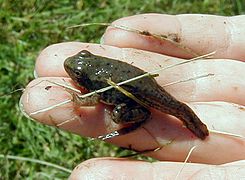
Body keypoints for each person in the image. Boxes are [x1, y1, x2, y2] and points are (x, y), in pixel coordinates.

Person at [21, 14, 245, 179]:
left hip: (139, 91)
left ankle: (147, 117)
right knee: (177, 108)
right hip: (143, 83)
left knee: (119, 115)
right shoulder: (96, 75)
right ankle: (190, 124)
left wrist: (79, 101)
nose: (71, 68)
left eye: (78, 73)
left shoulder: (93, 87)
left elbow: (92, 99)